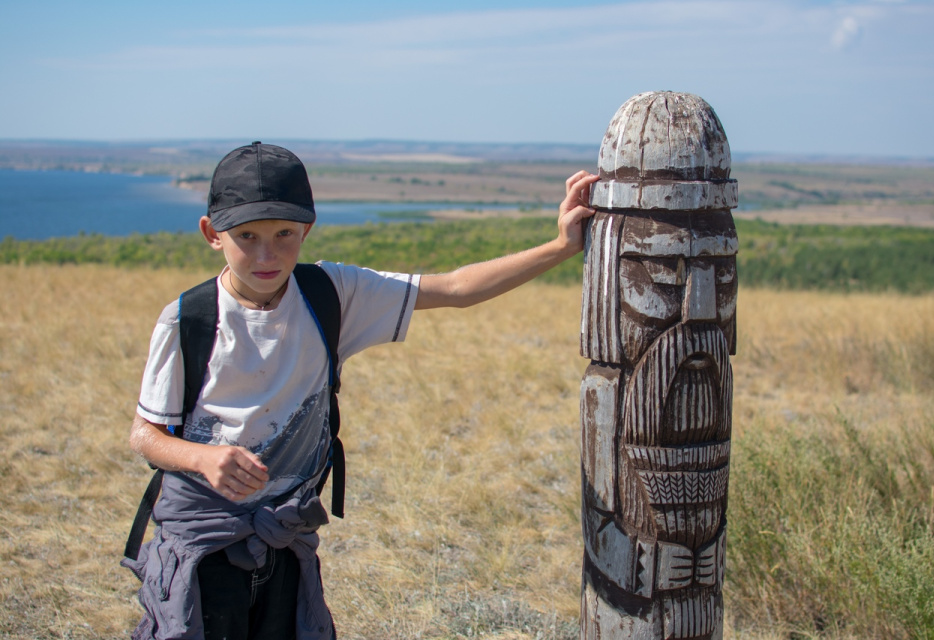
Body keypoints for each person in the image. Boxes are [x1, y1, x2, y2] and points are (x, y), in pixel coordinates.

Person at [124, 141, 598, 640]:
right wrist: (202, 459)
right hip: (204, 546)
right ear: (211, 234)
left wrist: (562, 247)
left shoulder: (331, 295)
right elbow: (144, 434)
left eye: (284, 233)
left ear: (306, 229)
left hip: (288, 535)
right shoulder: (188, 320)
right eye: (246, 236)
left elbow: (456, 289)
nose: (267, 254)